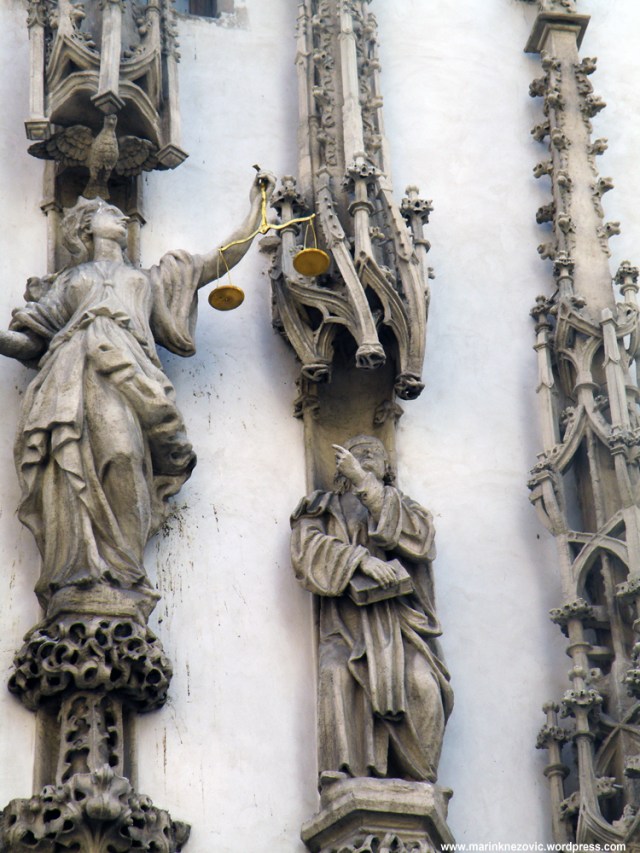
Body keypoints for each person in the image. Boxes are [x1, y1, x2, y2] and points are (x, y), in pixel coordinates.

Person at [0, 172, 275, 616]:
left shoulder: (149, 280)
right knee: (71, 463)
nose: (121, 217)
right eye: (109, 213)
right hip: (73, 373)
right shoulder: (71, 282)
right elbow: (31, 341)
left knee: (125, 456)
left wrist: (256, 213)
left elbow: (214, 263)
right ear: (86, 229)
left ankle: (123, 569)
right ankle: (79, 570)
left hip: (131, 376)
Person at [290, 435, 453, 785]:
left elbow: (420, 542)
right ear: (340, 467)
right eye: (358, 453)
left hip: (399, 627)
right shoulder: (321, 506)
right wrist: (360, 561)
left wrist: (364, 483)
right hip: (347, 627)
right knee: (335, 672)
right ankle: (343, 777)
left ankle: (419, 779)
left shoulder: (403, 507)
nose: (366, 456)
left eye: (374, 453)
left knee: (423, 683)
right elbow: (307, 550)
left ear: (386, 468)